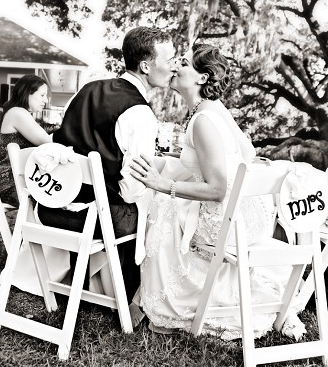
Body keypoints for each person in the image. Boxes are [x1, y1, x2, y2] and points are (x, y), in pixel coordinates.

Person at [128, 43, 305, 339]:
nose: (174, 67)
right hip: (250, 217)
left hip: (226, 221)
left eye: (182, 63)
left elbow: (217, 189)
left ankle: (161, 303)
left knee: (163, 206)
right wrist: (173, 163)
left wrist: (163, 184)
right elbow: (247, 153)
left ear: (201, 78)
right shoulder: (211, 109)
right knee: (172, 202)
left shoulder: (203, 120)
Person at [37, 26, 178, 305]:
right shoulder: (139, 113)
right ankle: (128, 296)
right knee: (161, 213)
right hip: (97, 218)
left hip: (51, 205)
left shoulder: (86, 90)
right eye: (170, 60)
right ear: (146, 66)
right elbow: (132, 190)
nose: (174, 67)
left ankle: (94, 284)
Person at [0, 75, 52, 206]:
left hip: (18, 180)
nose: (46, 100)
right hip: (9, 184)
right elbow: (48, 143)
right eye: (42, 95)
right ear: (27, 93)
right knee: (55, 200)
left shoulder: (18, 112)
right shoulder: (17, 113)